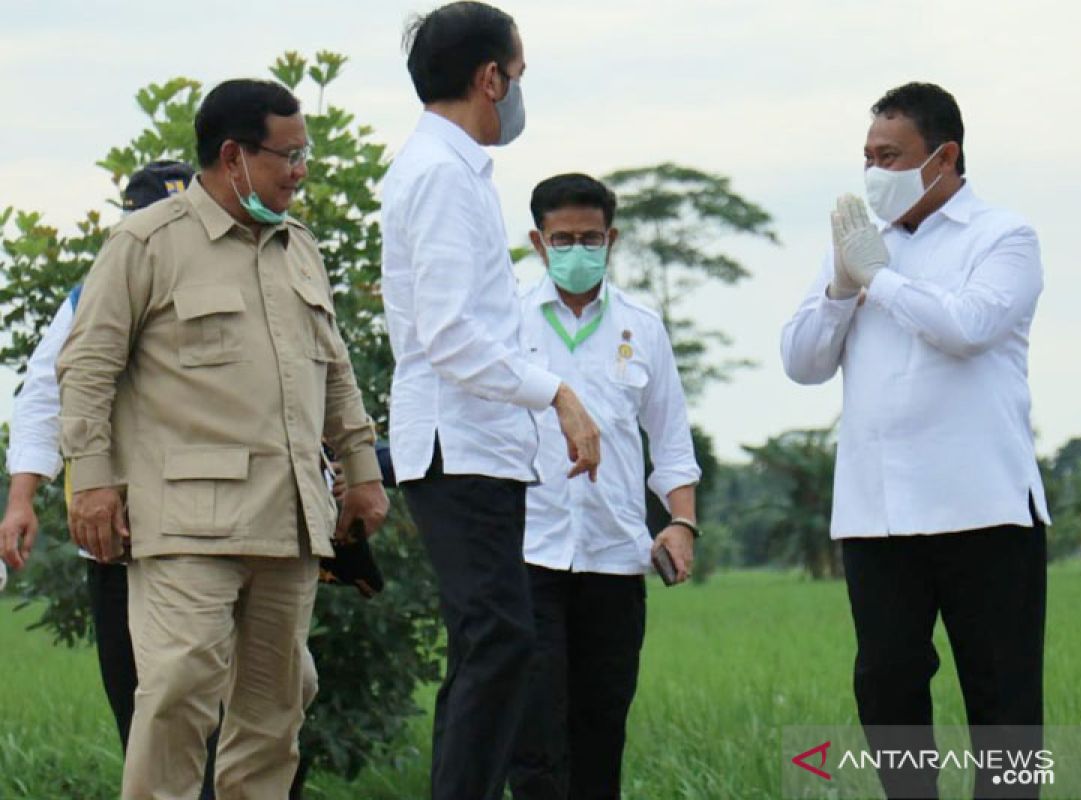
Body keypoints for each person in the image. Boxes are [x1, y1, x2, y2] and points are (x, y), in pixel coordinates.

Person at [57, 78, 388, 800]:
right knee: (178, 686)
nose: (300, 172)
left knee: (277, 707)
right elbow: (85, 369)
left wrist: (362, 468)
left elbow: (334, 370)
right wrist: (94, 481)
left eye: (306, 155)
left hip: (289, 519)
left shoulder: (298, 246)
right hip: (187, 521)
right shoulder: (146, 242)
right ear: (232, 156)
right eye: (289, 156)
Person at [780, 82, 1050, 799]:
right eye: (867, 156)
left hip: (984, 507)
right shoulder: (860, 244)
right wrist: (842, 287)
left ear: (944, 156)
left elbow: (967, 327)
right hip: (879, 512)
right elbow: (802, 362)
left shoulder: (1003, 237)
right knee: (887, 687)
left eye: (890, 156)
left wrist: (882, 280)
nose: (874, 172)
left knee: (1004, 700)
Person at [382, 4, 602, 798]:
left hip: (478, 444)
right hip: (457, 444)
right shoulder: (441, 176)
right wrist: (560, 396)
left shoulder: (456, 170)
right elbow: (448, 334)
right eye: (517, 76)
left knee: (491, 645)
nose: (516, 93)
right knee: (502, 641)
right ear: (489, 77)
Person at [507, 173, 701, 799]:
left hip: (615, 558)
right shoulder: (507, 320)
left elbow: (670, 440)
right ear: (539, 242)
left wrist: (681, 522)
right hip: (529, 552)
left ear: (611, 238)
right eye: (562, 239)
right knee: (535, 738)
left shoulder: (642, 326)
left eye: (591, 238)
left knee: (601, 730)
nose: (577, 250)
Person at [1, 159, 196, 754]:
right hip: (119, 532)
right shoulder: (91, 294)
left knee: (230, 706)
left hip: (213, 527)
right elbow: (44, 392)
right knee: (139, 706)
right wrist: (22, 498)